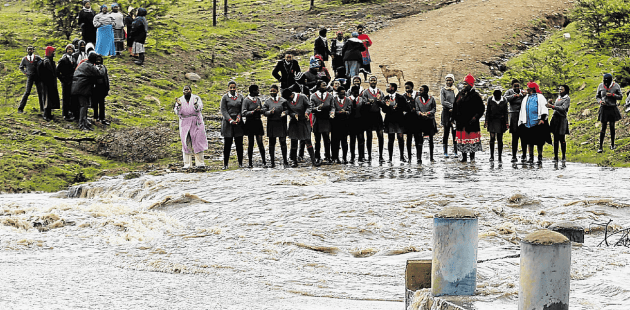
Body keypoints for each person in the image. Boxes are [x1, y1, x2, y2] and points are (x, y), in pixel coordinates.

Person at [281, 88, 322, 167]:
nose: (288, 101)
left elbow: (309, 106)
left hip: (304, 122)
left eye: (289, 99)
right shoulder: (287, 100)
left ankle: (314, 161)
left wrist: (307, 113)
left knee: (307, 140)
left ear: (291, 95)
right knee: (294, 142)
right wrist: (293, 115)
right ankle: (294, 161)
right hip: (294, 122)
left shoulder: (302, 97)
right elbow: (288, 110)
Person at [452, 74, 485, 162]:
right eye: (464, 84)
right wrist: (453, 118)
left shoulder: (475, 96)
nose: (464, 86)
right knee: (463, 140)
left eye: (466, 84)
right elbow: (455, 106)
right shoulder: (460, 94)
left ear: (470, 85)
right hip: (460, 122)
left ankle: (472, 157)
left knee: (470, 140)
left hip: (471, 122)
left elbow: (481, 109)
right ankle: (464, 157)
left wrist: (475, 117)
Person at [174, 86, 208, 168]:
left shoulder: (196, 98)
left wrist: (195, 104)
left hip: (196, 122)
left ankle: (200, 163)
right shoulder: (180, 100)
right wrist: (178, 105)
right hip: (185, 123)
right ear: (183, 92)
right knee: (186, 142)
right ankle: (187, 164)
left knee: (198, 142)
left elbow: (200, 108)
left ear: (190, 91)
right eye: (184, 90)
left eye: (188, 90)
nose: (186, 91)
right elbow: (176, 112)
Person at [518, 81, 551, 164]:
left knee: (539, 141)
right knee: (529, 141)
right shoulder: (526, 98)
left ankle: (540, 156)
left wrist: (542, 119)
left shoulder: (540, 97)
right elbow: (522, 110)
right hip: (527, 123)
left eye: (528, 87)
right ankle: (531, 157)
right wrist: (522, 121)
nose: (526, 89)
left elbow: (544, 108)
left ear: (531, 89)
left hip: (537, 122)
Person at [72, 52, 102, 130]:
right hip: (82, 89)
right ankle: (82, 125)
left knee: (84, 105)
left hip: (77, 87)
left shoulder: (84, 63)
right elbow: (99, 74)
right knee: (83, 106)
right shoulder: (90, 66)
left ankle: (84, 123)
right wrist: (100, 68)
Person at [220, 81, 245, 169]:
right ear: (228, 88)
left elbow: (242, 108)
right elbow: (223, 110)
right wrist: (230, 120)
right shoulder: (225, 98)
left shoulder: (240, 97)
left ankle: (240, 163)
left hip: (238, 122)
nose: (232, 89)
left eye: (234, 88)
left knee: (239, 144)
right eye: (231, 88)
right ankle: (225, 164)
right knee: (227, 144)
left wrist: (239, 117)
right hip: (228, 123)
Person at [263, 85, 289, 168]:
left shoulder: (283, 101)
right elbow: (264, 111)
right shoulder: (267, 102)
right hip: (272, 123)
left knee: (283, 142)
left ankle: (285, 161)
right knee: (271, 143)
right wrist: (269, 113)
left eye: (274, 91)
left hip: (281, 123)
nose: (272, 93)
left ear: (277, 91)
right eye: (271, 91)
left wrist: (284, 113)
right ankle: (272, 162)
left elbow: (287, 109)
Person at [596, 74, 623, 152]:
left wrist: (613, 95)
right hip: (604, 108)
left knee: (612, 126)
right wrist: (600, 101)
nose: (606, 84)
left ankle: (612, 144)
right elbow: (597, 96)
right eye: (605, 82)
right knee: (603, 127)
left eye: (607, 82)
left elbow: (620, 97)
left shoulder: (616, 86)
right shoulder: (601, 86)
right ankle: (600, 146)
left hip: (612, 108)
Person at [242, 84, 267, 168]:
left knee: (260, 142)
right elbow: (244, 112)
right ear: (253, 91)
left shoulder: (258, 100)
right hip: (250, 122)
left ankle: (264, 162)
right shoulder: (246, 100)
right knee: (251, 143)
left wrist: (261, 110)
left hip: (258, 122)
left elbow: (262, 110)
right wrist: (253, 111)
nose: (258, 91)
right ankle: (250, 163)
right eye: (257, 90)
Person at [361, 76, 385, 162]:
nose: (373, 82)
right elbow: (363, 103)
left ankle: (381, 155)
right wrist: (368, 103)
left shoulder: (380, 92)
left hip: (377, 115)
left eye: (375, 80)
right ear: (369, 82)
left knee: (380, 135)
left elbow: (384, 104)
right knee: (369, 136)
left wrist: (379, 101)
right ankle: (369, 156)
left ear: (377, 81)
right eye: (371, 80)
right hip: (369, 116)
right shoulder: (365, 92)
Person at [504, 79, 527, 163]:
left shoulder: (523, 92)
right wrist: (515, 96)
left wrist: (524, 95)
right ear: (512, 86)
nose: (517, 87)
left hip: (522, 115)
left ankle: (524, 155)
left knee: (524, 136)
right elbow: (505, 99)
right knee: (515, 137)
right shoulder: (509, 92)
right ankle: (514, 155)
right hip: (513, 115)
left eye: (518, 86)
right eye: (515, 86)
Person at [383, 83, 407, 163]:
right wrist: (387, 107)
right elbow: (384, 110)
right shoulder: (386, 98)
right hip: (390, 121)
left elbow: (405, 108)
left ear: (393, 88)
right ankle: (390, 158)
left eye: (388, 86)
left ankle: (402, 156)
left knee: (400, 138)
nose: (386, 88)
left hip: (399, 120)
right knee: (391, 139)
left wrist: (397, 108)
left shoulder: (400, 97)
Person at [310, 80, 333, 163]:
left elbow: (332, 106)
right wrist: (317, 108)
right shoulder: (313, 96)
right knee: (317, 139)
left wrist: (332, 112)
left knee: (327, 138)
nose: (325, 87)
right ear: (318, 86)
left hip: (326, 119)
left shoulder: (330, 96)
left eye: (326, 85)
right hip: (317, 119)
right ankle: (317, 156)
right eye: (323, 85)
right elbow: (311, 108)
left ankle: (328, 156)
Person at [546, 85, 570, 162]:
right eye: (559, 89)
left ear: (565, 90)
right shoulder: (559, 97)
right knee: (555, 138)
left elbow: (563, 108)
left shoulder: (567, 98)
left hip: (562, 119)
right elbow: (556, 106)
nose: (560, 91)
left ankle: (563, 156)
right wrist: (551, 104)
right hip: (555, 118)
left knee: (562, 138)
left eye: (561, 89)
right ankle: (555, 156)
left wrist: (553, 106)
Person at [484, 88, 509, 162]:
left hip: (501, 121)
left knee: (500, 139)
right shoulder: (490, 99)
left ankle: (500, 157)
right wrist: (486, 121)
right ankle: (491, 156)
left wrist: (506, 122)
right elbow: (488, 111)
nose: (496, 98)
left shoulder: (504, 100)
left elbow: (506, 112)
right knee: (492, 139)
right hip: (492, 121)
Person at [415, 85, 438, 163]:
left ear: (426, 91)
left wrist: (428, 113)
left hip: (430, 121)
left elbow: (434, 109)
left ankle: (431, 157)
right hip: (420, 122)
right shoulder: (417, 99)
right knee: (420, 140)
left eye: (421, 90)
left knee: (431, 140)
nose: (419, 92)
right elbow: (417, 110)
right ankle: (419, 158)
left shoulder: (432, 99)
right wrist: (421, 113)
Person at [17, 46, 43, 114]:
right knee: (27, 92)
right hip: (30, 77)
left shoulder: (37, 58)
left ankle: (43, 108)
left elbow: (42, 64)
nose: (30, 51)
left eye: (31, 49)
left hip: (38, 77)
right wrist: (25, 73)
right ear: (27, 50)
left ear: (33, 50)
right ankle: (20, 108)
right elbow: (21, 67)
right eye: (29, 49)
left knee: (40, 92)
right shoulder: (24, 59)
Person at [38, 46, 61, 121]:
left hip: (50, 83)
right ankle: (46, 115)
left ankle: (49, 114)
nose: (54, 53)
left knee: (49, 98)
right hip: (47, 84)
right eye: (53, 52)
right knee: (47, 99)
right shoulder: (46, 62)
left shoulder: (49, 61)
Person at [331, 86, 352, 163]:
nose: (343, 95)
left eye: (344, 93)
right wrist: (339, 112)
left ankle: (344, 157)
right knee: (335, 141)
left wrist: (346, 112)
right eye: (341, 94)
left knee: (344, 141)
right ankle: (335, 157)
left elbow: (349, 110)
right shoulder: (333, 100)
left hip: (345, 123)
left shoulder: (348, 100)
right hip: (335, 123)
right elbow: (332, 110)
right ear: (338, 93)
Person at [56, 44, 77, 121]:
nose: (69, 50)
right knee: (65, 97)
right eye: (68, 49)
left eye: (71, 49)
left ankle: (71, 112)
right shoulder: (63, 59)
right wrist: (63, 80)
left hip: (72, 81)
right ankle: (65, 114)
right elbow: (57, 71)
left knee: (71, 97)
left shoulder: (73, 59)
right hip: (66, 81)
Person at [440, 74, 458, 158]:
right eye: (447, 80)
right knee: (446, 132)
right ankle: (445, 152)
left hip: (455, 113)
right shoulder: (443, 90)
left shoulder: (456, 90)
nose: (448, 82)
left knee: (455, 132)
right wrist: (452, 106)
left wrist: (455, 108)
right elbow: (443, 102)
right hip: (446, 113)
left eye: (450, 80)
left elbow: (458, 100)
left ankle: (455, 151)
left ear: (453, 81)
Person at [403, 81, 420, 162]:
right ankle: (409, 157)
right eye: (406, 88)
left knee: (417, 138)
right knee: (408, 138)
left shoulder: (418, 95)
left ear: (412, 87)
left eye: (408, 88)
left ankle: (418, 157)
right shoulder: (403, 96)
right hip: (408, 120)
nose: (407, 90)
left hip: (417, 120)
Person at [92, 54, 110, 125]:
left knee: (102, 104)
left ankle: (102, 118)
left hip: (102, 87)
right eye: (97, 60)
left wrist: (107, 87)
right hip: (95, 87)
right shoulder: (93, 67)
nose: (98, 61)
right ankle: (96, 117)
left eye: (99, 60)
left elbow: (106, 78)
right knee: (95, 104)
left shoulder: (104, 67)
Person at [348, 85, 365, 162]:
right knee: (352, 140)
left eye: (357, 92)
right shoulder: (348, 100)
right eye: (354, 92)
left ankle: (361, 156)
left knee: (361, 139)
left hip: (360, 122)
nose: (356, 94)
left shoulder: (361, 100)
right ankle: (352, 156)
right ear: (351, 92)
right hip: (351, 123)